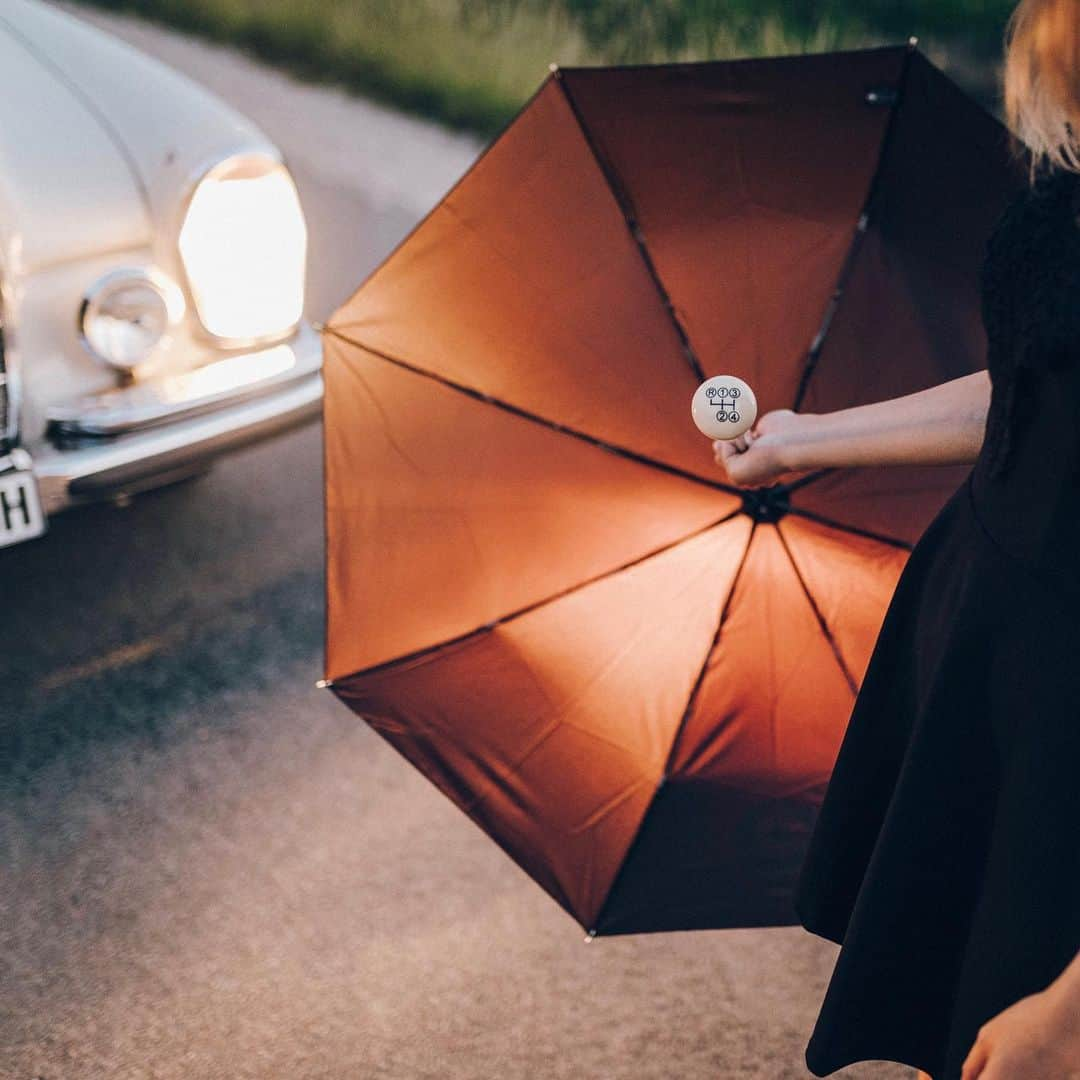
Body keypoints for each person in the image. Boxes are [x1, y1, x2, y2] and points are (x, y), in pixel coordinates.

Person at [713, 2, 1080, 1078]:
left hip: (1070, 704)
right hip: (984, 632)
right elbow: (1033, 386)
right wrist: (805, 442)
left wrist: (1071, 1006)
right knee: (955, 998)